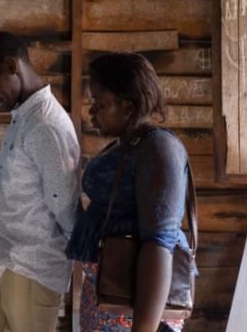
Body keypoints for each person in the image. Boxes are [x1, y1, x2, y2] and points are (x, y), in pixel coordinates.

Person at [66, 52, 194, 332]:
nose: (92, 112)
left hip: (133, 314)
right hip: (108, 302)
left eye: (99, 104)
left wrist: (143, 329)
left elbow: (160, 244)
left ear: (127, 106)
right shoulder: (129, 144)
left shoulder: (159, 148)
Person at [0, 31, 80, 332]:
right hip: (5, 262)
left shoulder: (45, 125)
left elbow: (65, 206)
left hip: (33, 269)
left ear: (11, 66)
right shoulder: (24, 117)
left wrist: (78, 255)